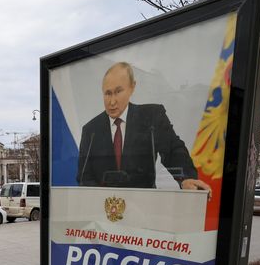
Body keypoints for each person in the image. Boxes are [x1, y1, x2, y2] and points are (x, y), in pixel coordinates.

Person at [77, 61, 211, 194]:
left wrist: (186, 178)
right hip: (105, 209)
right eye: (107, 93)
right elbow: (84, 177)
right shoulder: (91, 130)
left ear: (132, 87)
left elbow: (173, 150)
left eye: (118, 91)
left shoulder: (151, 117)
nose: (112, 101)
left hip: (144, 207)